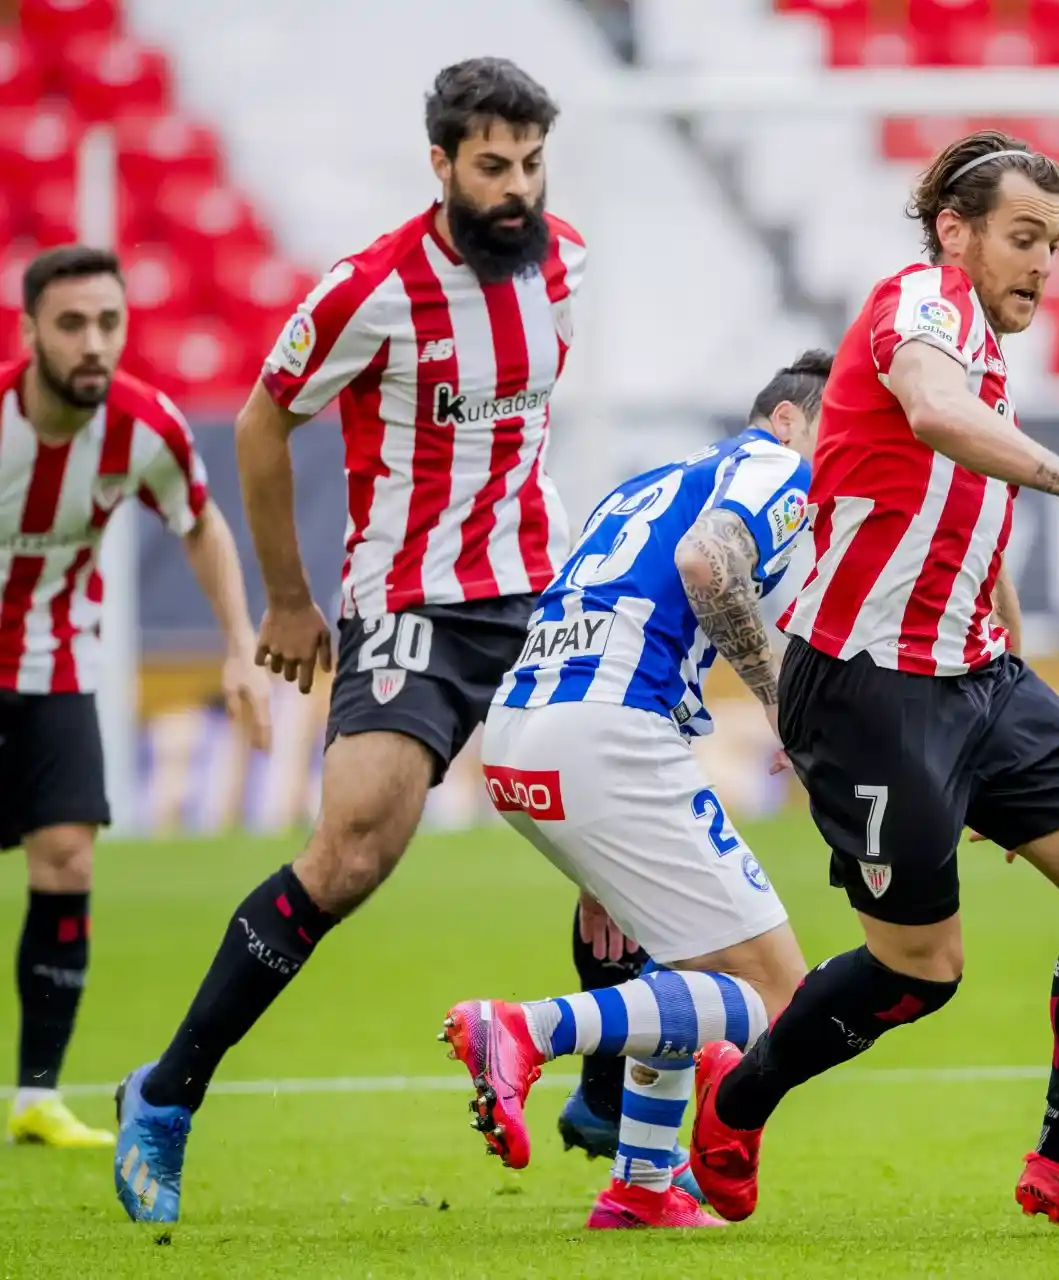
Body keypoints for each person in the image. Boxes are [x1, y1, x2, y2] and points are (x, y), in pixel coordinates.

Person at [684, 130, 1059, 1237]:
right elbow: (930, 411)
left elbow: (967, 528)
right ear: (954, 232)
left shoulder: (987, 354)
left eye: (1054, 244)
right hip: (866, 686)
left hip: (980, 678)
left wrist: (1008, 743)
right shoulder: (920, 302)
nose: (1042, 265)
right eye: (1022, 238)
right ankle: (740, 1096)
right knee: (921, 967)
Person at [112, 58, 587, 1224]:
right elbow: (268, 419)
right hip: (412, 600)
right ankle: (165, 1094)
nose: (516, 188)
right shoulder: (368, 289)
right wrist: (285, 596)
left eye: (530, 163)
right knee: (356, 846)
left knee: (612, 812)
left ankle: (618, 1093)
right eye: (492, 166)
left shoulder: (564, 259)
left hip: (536, 587)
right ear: (440, 164)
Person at [439, 352, 827, 1231]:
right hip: (607, 734)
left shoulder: (648, 484)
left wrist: (597, 870)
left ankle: (643, 1188)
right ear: (789, 420)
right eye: (836, 432)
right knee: (783, 1003)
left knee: (682, 969)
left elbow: (610, 611)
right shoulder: (777, 466)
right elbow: (704, 565)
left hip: (523, 734)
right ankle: (527, 1030)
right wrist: (783, 710)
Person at [1, 246, 269, 1149]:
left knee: (68, 859)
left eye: (109, 323)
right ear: (31, 329)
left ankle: (35, 1096)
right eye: (72, 324)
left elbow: (200, 524)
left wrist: (239, 647)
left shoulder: (143, 427)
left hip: (58, 669)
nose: (93, 343)